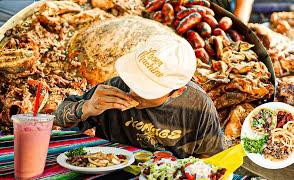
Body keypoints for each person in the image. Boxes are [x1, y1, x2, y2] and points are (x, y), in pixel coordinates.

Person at [53, 34, 223, 158]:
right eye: (135, 79)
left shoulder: (198, 106)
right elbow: (56, 119)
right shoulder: (116, 87)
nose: (133, 91)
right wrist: (86, 107)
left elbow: (211, 157)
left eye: (147, 89)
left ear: (178, 91)